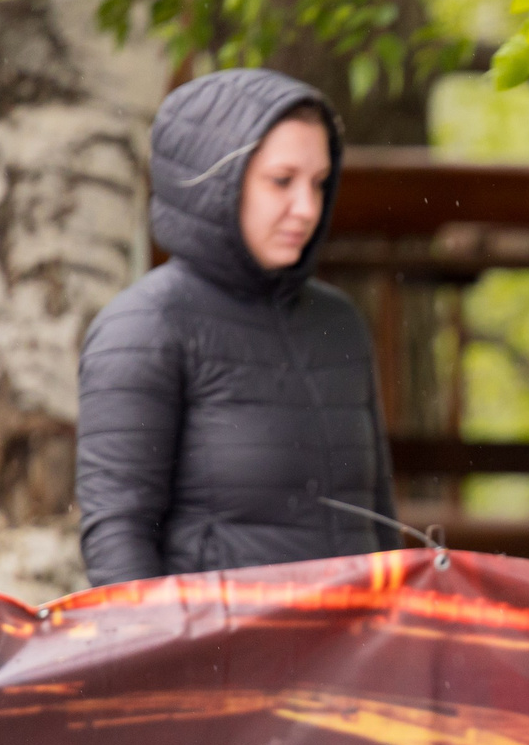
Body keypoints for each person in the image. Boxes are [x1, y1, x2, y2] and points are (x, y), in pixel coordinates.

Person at [76, 69, 399, 584]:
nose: (307, 208)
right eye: (281, 181)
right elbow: (118, 542)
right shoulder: (145, 327)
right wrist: (162, 664)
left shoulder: (338, 323)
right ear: (216, 181)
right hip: (220, 659)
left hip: (351, 655)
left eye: (319, 183)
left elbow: (381, 525)